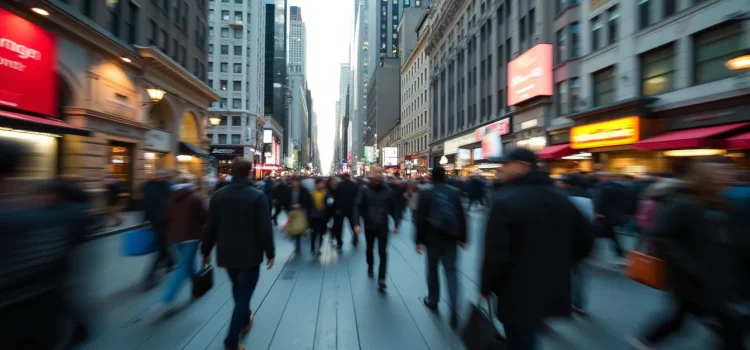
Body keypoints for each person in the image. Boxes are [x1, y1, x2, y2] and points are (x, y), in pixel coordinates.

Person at [629, 157, 747, 350]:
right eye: (720, 171)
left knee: (693, 320)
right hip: (695, 280)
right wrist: (690, 266)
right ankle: (646, 340)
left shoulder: (724, 204)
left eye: (729, 171)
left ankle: (647, 340)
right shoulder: (684, 204)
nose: (728, 175)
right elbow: (662, 236)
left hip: (719, 278)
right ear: (704, 176)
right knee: (727, 324)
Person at [481, 148, 593, 350]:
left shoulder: (506, 201)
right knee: (529, 335)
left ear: (523, 167)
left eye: (506, 164)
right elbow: (586, 242)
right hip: (551, 286)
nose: (501, 168)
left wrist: (486, 286)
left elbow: (496, 254)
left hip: (516, 289)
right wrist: (559, 263)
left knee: (520, 338)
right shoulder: (561, 198)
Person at [201, 158, 275, 350]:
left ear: (232, 172)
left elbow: (210, 227)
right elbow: (265, 229)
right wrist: (271, 253)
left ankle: (245, 319)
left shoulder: (218, 196)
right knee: (243, 293)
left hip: (226, 254)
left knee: (238, 289)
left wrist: (206, 251)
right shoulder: (257, 196)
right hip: (250, 256)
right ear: (250, 172)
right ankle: (231, 341)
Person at [415, 165, 467, 329]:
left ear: (431, 176)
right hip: (450, 238)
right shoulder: (454, 192)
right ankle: (454, 308)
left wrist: (418, 241)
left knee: (432, 270)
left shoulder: (425, 192)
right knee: (451, 272)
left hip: (432, 238)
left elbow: (420, 219)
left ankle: (433, 300)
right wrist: (463, 238)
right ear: (445, 176)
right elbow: (461, 215)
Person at [157, 172, 207, 311]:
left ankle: (197, 289)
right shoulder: (196, 197)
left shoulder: (170, 198)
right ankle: (167, 298)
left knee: (187, 264)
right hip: (191, 237)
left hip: (174, 238)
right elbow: (204, 217)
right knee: (183, 267)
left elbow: (166, 218)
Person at [556, 173, 594, 315]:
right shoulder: (587, 196)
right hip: (583, 239)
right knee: (579, 273)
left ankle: (562, 303)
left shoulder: (566, 197)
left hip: (566, 240)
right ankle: (579, 303)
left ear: (567, 183)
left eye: (561, 181)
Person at [357, 164, 399, 290]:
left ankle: (382, 279)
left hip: (383, 225)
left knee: (383, 252)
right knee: (369, 249)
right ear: (371, 173)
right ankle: (370, 265)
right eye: (376, 172)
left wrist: (396, 223)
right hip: (369, 225)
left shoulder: (388, 190)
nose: (379, 174)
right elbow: (357, 206)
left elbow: (394, 208)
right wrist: (356, 223)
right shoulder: (364, 190)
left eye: (381, 172)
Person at [142, 170, 176, 289]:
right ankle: (170, 262)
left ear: (165, 176)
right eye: (157, 175)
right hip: (155, 221)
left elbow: (174, 205)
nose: (159, 177)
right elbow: (146, 203)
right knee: (162, 245)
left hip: (166, 221)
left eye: (162, 175)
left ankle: (151, 276)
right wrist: (144, 219)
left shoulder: (169, 186)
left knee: (161, 247)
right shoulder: (149, 186)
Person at [593, 172, 628, 266]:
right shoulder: (620, 187)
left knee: (599, 233)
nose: (599, 177)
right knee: (611, 236)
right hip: (614, 215)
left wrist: (598, 212)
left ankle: (621, 255)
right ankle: (621, 255)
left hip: (604, 216)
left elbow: (600, 201)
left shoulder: (604, 188)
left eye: (601, 176)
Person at [332, 173, 361, 248]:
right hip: (351, 209)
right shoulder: (354, 185)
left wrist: (336, 208)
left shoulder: (339, 185)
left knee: (339, 227)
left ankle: (339, 242)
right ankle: (355, 238)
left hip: (340, 209)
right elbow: (358, 196)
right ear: (349, 177)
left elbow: (336, 198)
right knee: (353, 225)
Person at [286, 176, 313, 254]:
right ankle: (294, 237)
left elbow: (308, 201)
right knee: (292, 227)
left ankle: (297, 244)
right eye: (293, 182)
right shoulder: (289, 190)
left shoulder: (304, 191)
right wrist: (289, 207)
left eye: (296, 182)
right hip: (292, 212)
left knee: (298, 227)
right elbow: (285, 201)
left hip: (301, 212)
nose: (294, 184)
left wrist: (301, 205)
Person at [309, 178, 331, 255]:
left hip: (322, 216)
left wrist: (326, 205)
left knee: (321, 233)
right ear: (316, 184)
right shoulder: (312, 193)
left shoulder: (326, 193)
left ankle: (318, 249)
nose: (321, 185)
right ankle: (312, 248)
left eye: (322, 183)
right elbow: (309, 205)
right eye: (320, 183)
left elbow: (330, 202)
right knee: (314, 233)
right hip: (314, 216)